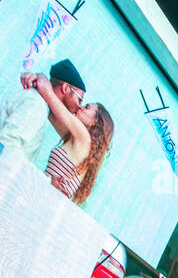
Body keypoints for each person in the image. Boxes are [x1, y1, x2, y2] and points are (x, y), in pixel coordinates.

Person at [13, 66, 113, 205]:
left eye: (87, 107)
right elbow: (52, 113)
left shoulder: (84, 137)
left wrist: (40, 76)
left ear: (96, 122)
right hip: (44, 199)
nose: (80, 107)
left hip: (43, 200)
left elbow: (48, 94)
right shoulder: (78, 140)